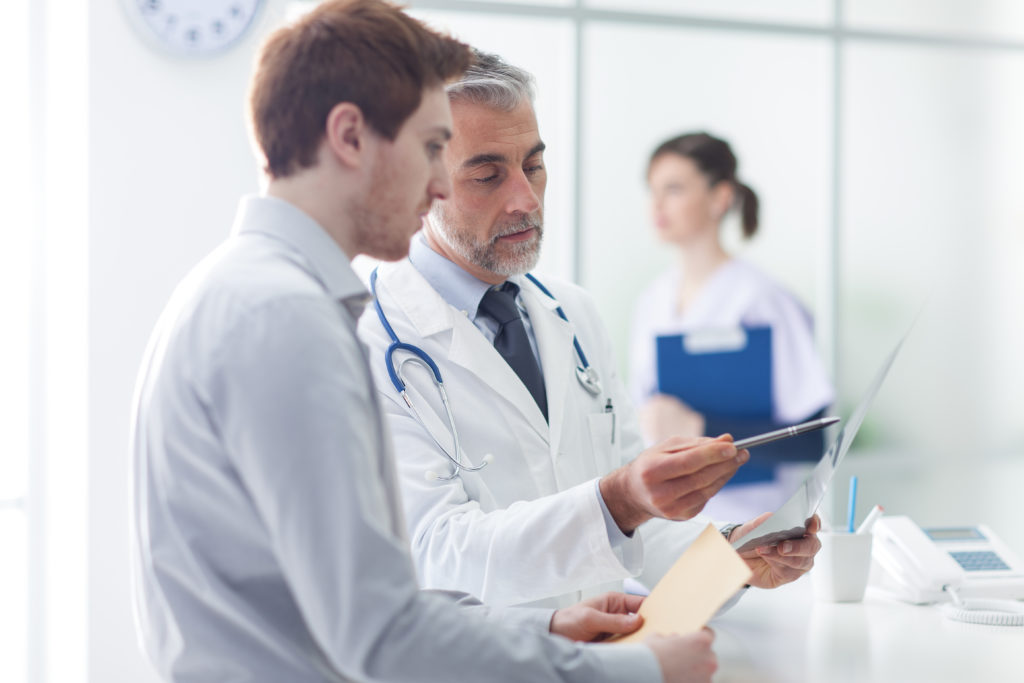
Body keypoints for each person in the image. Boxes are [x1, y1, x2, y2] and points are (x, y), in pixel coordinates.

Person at [128, 3, 718, 681]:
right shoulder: (281, 317)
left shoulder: (247, 291)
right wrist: (632, 673)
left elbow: (351, 601)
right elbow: (381, 635)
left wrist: (543, 626)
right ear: (350, 136)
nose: (437, 184)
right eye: (431, 148)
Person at [358, 50, 820, 612]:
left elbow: (640, 529)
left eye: (533, 166)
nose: (526, 200)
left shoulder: (573, 315)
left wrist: (732, 560)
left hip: (602, 662)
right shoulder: (366, 342)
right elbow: (434, 553)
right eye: (486, 175)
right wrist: (617, 502)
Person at [629, 132, 835, 522]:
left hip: (751, 523)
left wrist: (699, 427)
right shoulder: (651, 302)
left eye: (673, 189)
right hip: (666, 523)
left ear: (719, 198)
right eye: (652, 190)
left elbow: (811, 440)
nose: (656, 204)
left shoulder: (763, 300)